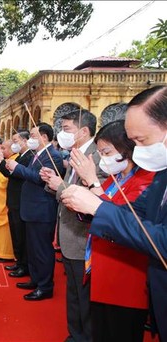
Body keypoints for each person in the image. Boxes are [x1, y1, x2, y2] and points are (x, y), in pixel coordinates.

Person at [61, 85, 167, 341]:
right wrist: (87, 206)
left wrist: (95, 200)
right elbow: (132, 215)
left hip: (129, 280)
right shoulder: (162, 174)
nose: (139, 149)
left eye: (141, 140)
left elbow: (159, 238)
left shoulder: (149, 175)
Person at [70, 120, 154, 342]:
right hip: (101, 270)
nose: (103, 159)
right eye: (100, 153)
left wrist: (91, 183)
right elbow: (94, 211)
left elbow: (123, 220)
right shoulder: (114, 180)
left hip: (125, 276)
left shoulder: (146, 180)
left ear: (127, 148)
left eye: (106, 152)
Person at [41, 109, 107, 342]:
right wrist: (53, 182)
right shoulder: (77, 153)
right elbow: (66, 190)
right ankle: (75, 334)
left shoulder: (96, 157)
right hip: (69, 235)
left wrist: (59, 185)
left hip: (83, 238)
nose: (62, 133)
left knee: (84, 295)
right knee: (73, 293)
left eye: (66, 129)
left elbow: (90, 199)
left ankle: (85, 336)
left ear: (84, 130)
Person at [5, 123, 64, 301]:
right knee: (33, 248)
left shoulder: (52, 156)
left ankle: (45, 286)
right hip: (31, 209)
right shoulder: (38, 154)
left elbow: (40, 178)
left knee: (42, 249)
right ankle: (36, 279)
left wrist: (17, 168)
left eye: (32, 135)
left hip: (42, 210)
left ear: (44, 137)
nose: (30, 139)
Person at [0, 130, 31, 277]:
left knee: (21, 236)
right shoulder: (21, 156)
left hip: (21, 201)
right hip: (13, 201)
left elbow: (16, 174)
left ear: (25, 141)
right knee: (16, 234)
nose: (14, 144)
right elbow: (10, 173)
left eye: (15, 141)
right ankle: (19, 261)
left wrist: (1, 161)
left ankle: (24, 264)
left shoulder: (29, 157)